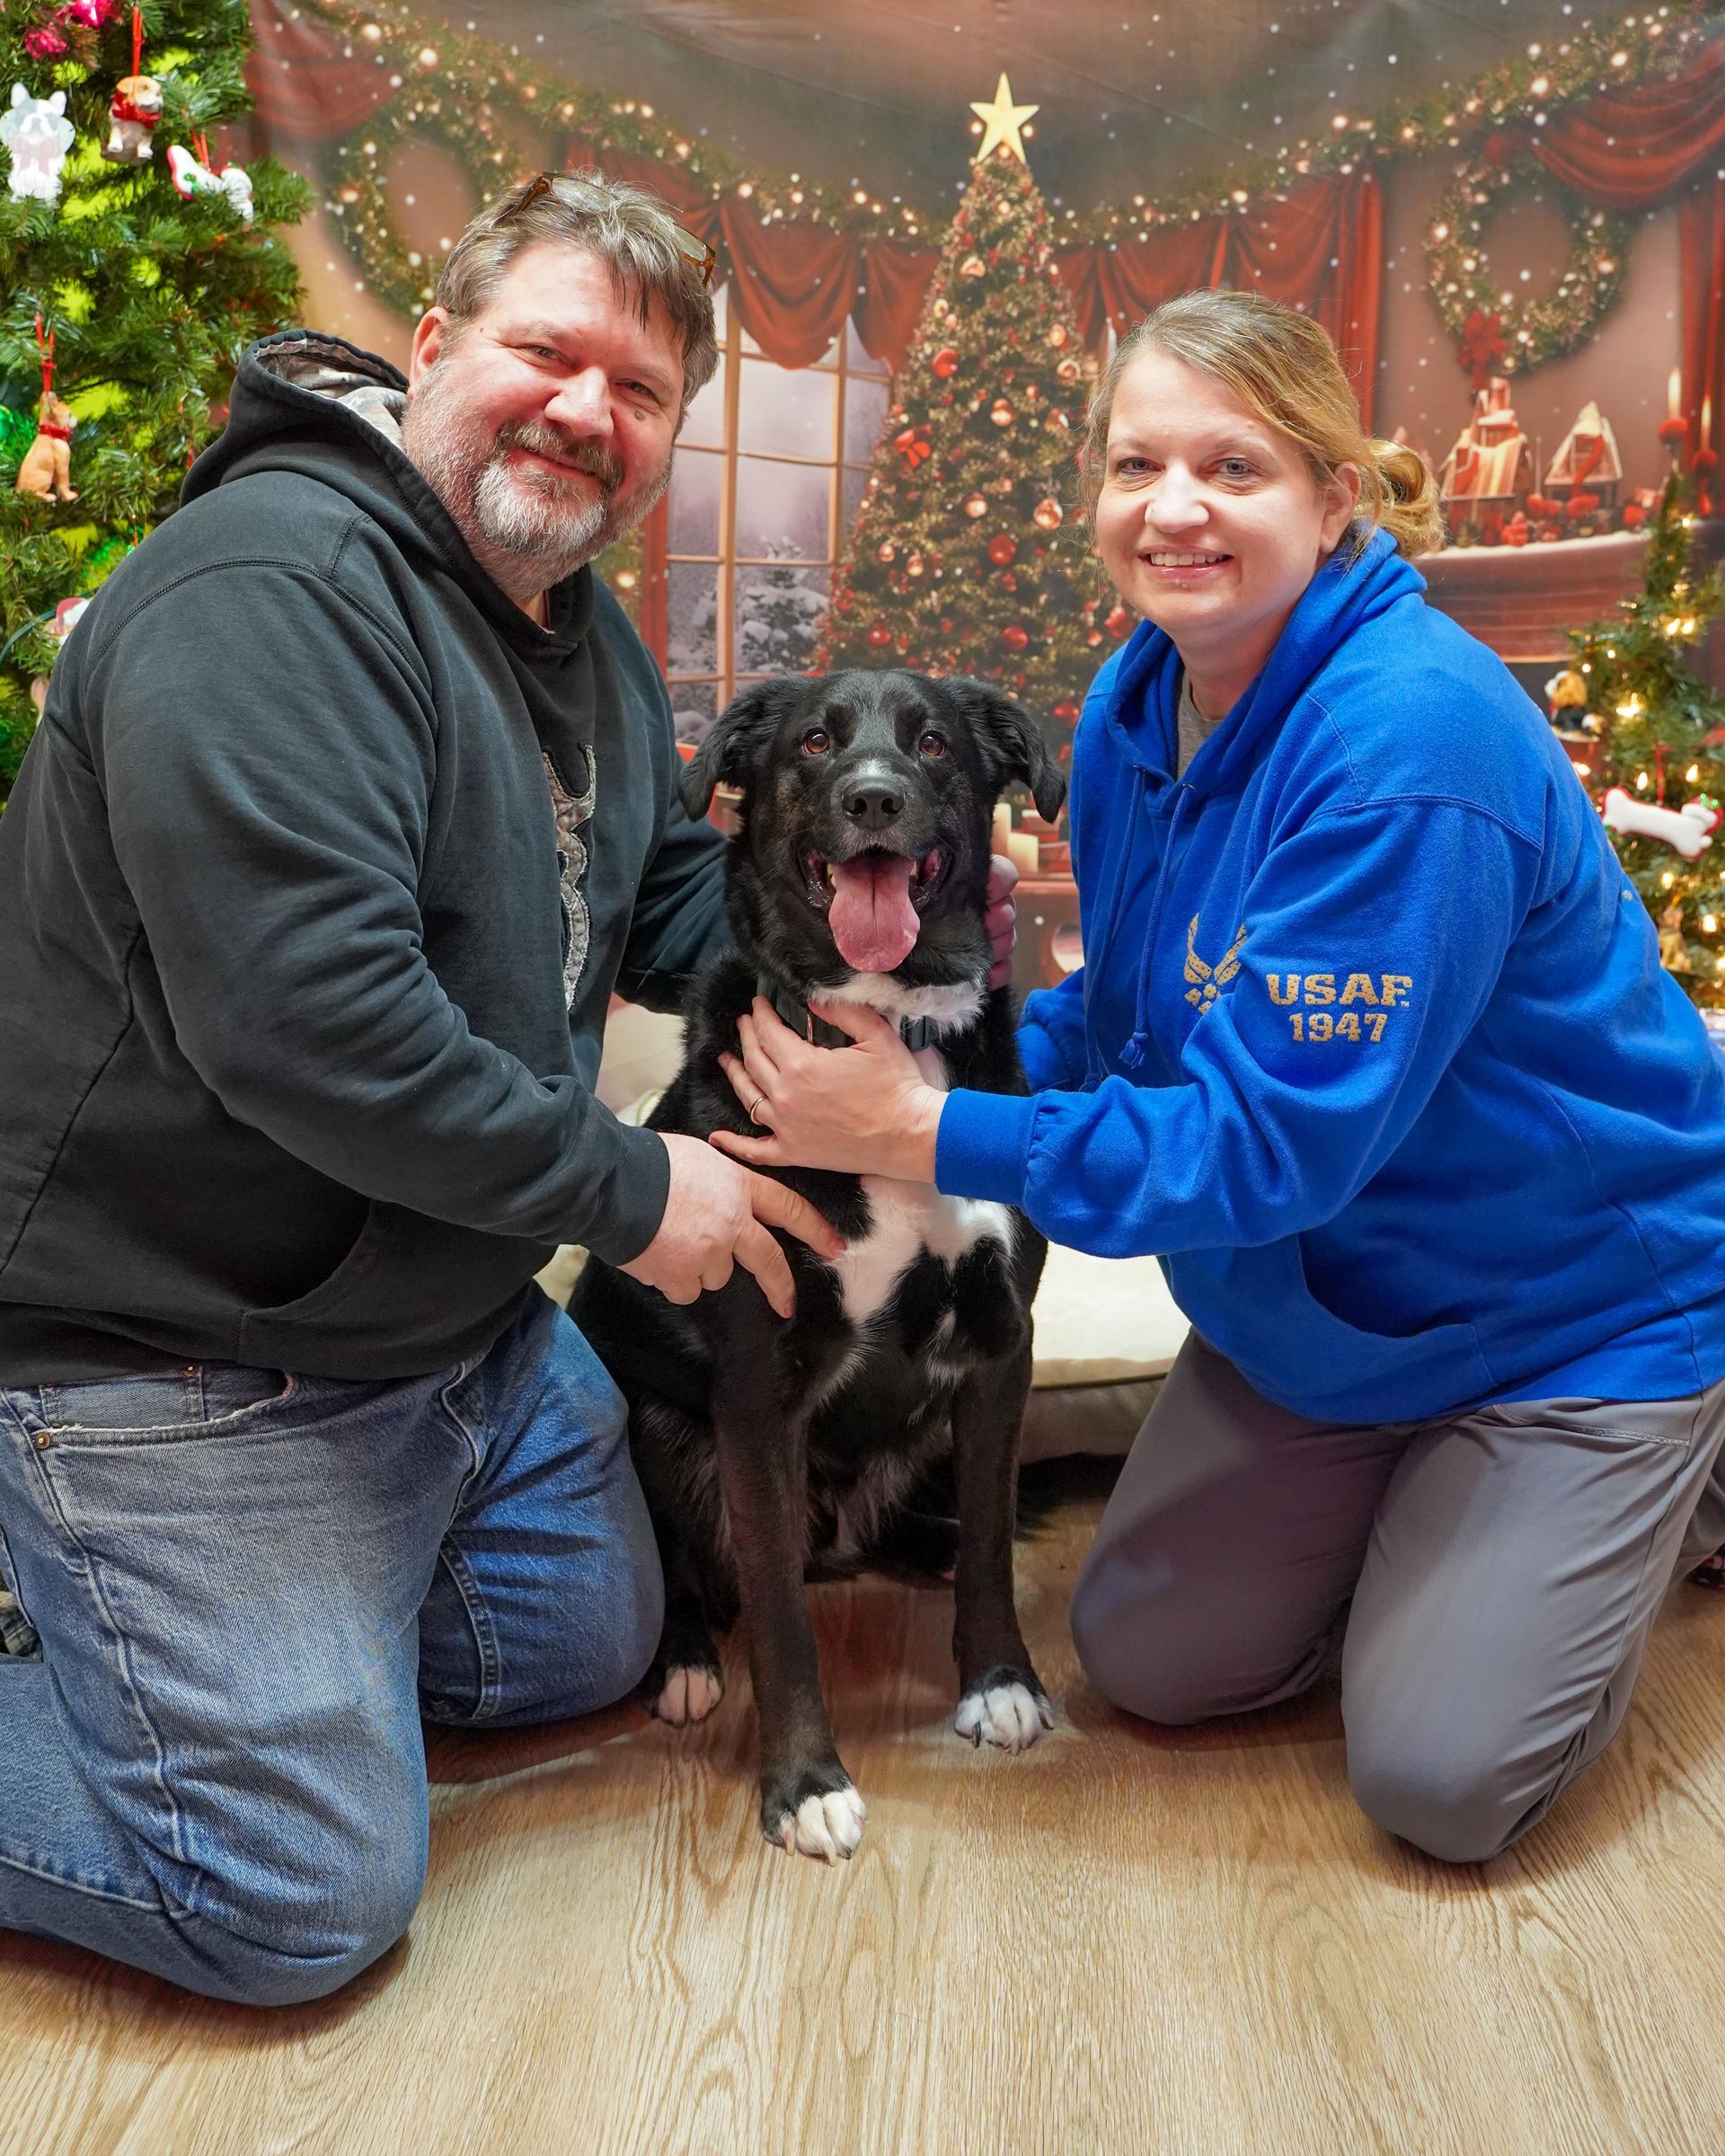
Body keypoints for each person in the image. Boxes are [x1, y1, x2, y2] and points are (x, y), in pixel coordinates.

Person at [0, 169, 964, 2006]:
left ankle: (228, 1641)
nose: (588, 412)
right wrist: (636, 1191)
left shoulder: (572, 624)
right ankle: (135, 1611)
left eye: (643, 390)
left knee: (577, 1650)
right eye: (548, 352)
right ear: (433, 346)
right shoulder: (274, 593)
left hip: (445, 1343)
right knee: (287, 1899)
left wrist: (882, 952)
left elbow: (662, 893)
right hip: (179, 1344)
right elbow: (310, 1027)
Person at [711, 288, 1725, 1867]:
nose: (1174, 508)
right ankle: (1442, 1514)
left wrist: (930, 1127)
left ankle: (1669, 1472)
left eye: (1234, 467)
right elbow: (1135, 1015)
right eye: (1138, 465)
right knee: (1153, 1661)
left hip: (1566, 1310)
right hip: (1323, 1316)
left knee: (1440, 1778)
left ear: (1335, 496)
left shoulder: (1410, 746)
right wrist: (933, 1052)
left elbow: (1266, 1149)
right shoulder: (1143, 701)